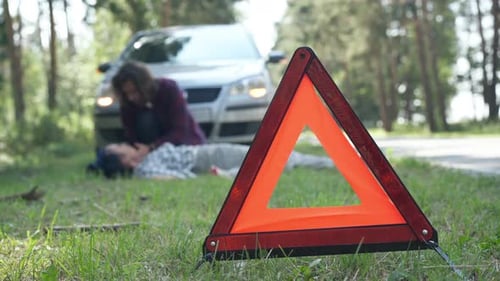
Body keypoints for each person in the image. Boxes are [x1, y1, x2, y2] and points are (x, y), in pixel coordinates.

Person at [111, 60, 206, 163]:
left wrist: (152, 147)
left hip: (185, 145)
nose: (131, 98)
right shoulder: (128, 103)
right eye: (127, 93)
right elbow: (131, 134)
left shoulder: (169, 89)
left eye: (135, 92)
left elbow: (180, 130)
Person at [101, 142, 335, 180]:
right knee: (278, 157)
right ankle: (342, 164)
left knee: (273, 156)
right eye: (120, 147)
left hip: (208, 154)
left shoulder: (145, 159)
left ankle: (338, 163)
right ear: (124, 161)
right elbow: (171, 178)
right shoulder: (144, 170)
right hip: (207, 156)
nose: (125, 144)